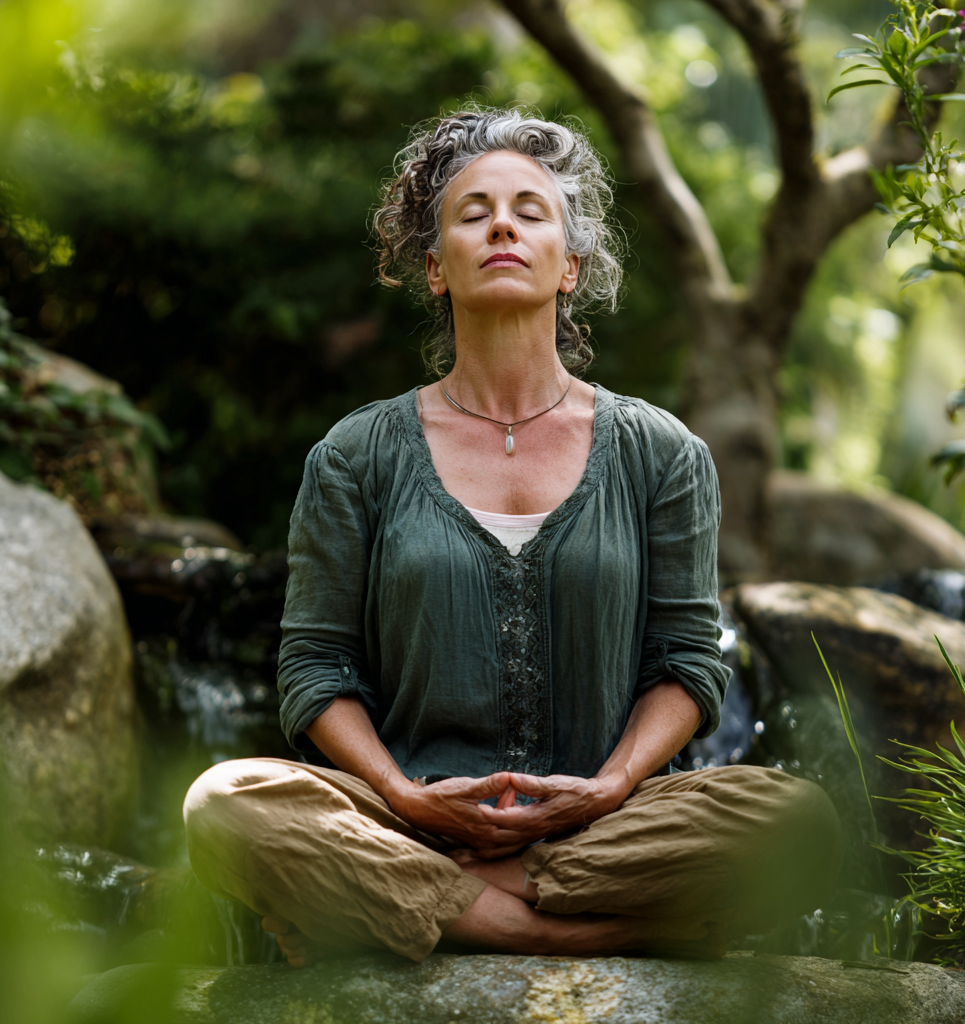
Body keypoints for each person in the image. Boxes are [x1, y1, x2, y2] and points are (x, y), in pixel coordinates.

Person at [183, 108, 842, 967]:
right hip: (408, 818)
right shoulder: (354, 456)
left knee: (801, 822)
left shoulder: (662, 453)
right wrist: (403, 801)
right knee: (224, 801)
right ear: (433, 268)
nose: (501, 223)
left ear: (568, 266)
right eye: (473, 212)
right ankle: (595, 932)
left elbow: (687, 661)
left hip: (608, 826)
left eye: (530, 210)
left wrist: (606, 788)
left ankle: (418, 912)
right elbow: (313, 671)